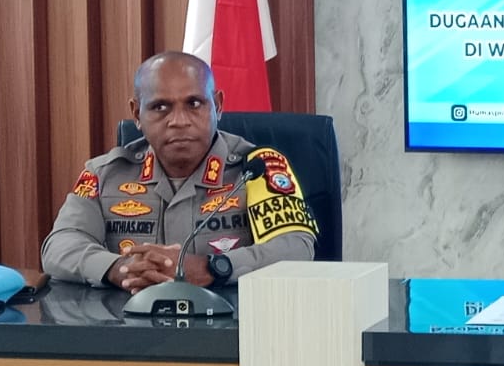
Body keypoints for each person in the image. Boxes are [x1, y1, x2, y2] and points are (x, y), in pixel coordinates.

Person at [42, 51, 317, 291]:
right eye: (160, 107)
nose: (179, 121)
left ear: (218, 106)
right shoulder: (105, 174)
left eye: (194, 104)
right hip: (130, 324)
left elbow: (296, 247)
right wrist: (119, 269)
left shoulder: (257, 169)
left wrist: (212, 268)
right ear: (136, 114)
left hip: (233, 325)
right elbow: (60, 246)